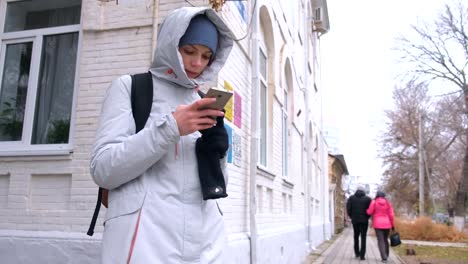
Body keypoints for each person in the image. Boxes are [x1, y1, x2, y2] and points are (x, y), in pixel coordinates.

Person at [90, 6, 234, 263]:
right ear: (171, 43)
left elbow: (217, 185)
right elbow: (103, 168)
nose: (197, 63)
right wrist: (171, 128)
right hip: (145, 241)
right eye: (189, 50)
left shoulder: (203, 102)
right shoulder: (131, 88)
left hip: (206, 240)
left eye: (206, 55)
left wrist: (217, 152)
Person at [366, 191, 395, 263]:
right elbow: (391, 215)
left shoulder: (374, 202)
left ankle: (384, 257)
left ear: (377, 195)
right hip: (387, 224)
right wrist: (392, 225)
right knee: (385, 239)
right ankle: (387, 255)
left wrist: (366, 211)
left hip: (378, 224)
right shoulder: (388, 203)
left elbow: (369, 212)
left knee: (380, 240)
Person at [346, 185, 372, 260]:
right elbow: (370, 210)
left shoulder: (351, 198)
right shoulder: (368, 199)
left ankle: (357, 253)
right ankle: (362, 255)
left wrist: (351, 217)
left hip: (355, 221)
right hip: (364, 221)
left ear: (356, 191)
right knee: (363, 237)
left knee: (356, 237)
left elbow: (348, 208)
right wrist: (367, 217)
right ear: (363, 191)